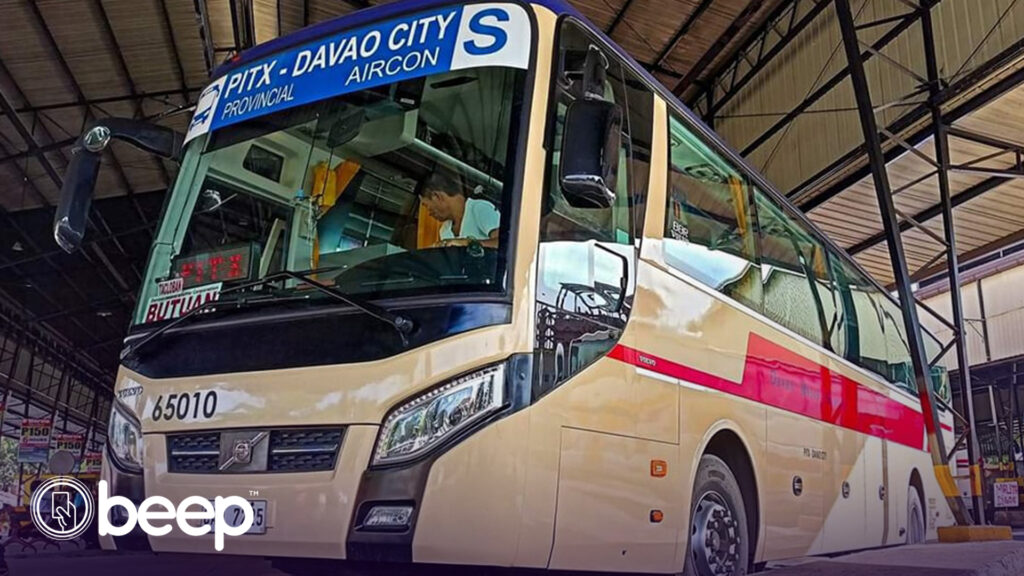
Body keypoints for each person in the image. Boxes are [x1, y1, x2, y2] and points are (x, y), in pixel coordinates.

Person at [418, 170, 500, 249]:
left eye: (426, 206)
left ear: (437, 196)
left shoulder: (479, 208)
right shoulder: (444, 230)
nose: (429, 213)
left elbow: (503, 244)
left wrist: (468, 244)